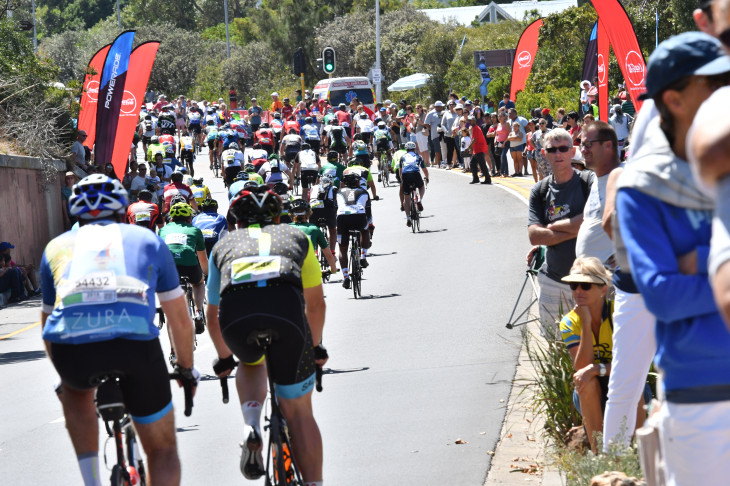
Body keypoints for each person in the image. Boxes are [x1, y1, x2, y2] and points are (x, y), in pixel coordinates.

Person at [616, 32, 730, 485]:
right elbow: (661, 296)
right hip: (700, 393)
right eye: (715, 83)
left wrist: (697, 260)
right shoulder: (641, 188)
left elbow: (677, 285)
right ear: (674, 99)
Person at [40, 174, 196, 486]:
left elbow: (47, 324)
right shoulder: (149, 240)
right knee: (163, 450)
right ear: (123, 208)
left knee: (76, 393)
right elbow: (179, 320)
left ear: (74, 211)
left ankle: (92, 479)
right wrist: (186, 369)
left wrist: (65, 378)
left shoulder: (55, 248)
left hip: (74, 352)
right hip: (135, 347)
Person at [205, 185, 327, 484]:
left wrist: (223, 358)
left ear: (236, 221)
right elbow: (316, 304)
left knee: (251, 362)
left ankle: (251, 424)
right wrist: (314, 347)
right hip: (285, 315)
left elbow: (211, 313)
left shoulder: (224, 245)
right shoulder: (297, 236)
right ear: (277, 217)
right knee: (299, 414)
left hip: (237, 318)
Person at [559, 257, 651, 453]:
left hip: (627, 384)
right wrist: (585, 324)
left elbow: (632, 366)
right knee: (586, 381)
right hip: (591, 391)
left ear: (603, 289)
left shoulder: (620, 314)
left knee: (629, 379)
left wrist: (596, 369)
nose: (577, 292)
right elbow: (581, 366)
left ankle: (639, 453)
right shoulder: (570, 322)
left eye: (585, 286)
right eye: (574, 285)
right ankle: (601, 456)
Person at [528, 128, 594, 330]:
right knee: (555, 351)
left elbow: (594, 221)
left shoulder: (588, 181)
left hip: (590, 282)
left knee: (593, 349)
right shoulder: (539, 190)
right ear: (544, 153)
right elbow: (534, 235)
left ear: (572, 151)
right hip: (553, 281)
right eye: (552, 149)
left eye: (563, 148)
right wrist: (576, 226)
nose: (558, 154)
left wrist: (553, 227)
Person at [159, 202, 208, 334]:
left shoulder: (163, 229)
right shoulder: (195, 230)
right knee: (198, 284)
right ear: (189, 218)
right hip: (189, 265)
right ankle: (198, 311)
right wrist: (206, 275)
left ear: (172, 218)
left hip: (169, 266)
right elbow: (202, 259)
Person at [336, 173, 372, 289]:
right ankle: (363, 256)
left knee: (342, 249)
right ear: (357, 182)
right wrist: (369, 225)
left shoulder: (338, 192)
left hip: (342, 218)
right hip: (359, 216)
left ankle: (346, 277)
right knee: (365, 230)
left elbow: (334, 210)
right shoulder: (364, 192)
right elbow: (369, 214)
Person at [290, 198, 337, 274]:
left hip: (291, 271)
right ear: (308, 214)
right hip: (310, 271)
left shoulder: (285, 228)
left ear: (291, 214)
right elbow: (329, 255)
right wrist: (333, 269)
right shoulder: (314, 229)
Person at [399, 142, 430, 227]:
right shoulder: (418, 156)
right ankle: (419, 200)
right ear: (414, 149)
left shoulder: (402, 157)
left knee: (407, 198)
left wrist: (402, 180)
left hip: (405, 175)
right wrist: (427, 178)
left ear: (406, 149)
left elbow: (400, 171)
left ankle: (408, 218)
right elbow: (424, 169)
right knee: (421, 187)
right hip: (416, 173)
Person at [467, 115, 491, 185]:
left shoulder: (476, 128)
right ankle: (476, 178)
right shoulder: (474, 128)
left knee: (481, 164)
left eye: (470, 120)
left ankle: (487, 179)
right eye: (469, 121)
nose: (469, 122)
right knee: (473, 163)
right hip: (477, 149)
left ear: (474, 121)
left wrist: (468, 147)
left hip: (479, 149)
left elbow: (475, 139)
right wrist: (471, 148)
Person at [424, 101, 444, 167]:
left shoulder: (444, 112)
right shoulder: (431, 114)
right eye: (441, 106)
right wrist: (431, 129)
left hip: (444, 133)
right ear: (436, 107)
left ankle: (445, 162)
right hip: (435, 134)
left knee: (444, 148)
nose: (442, 107)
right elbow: (426, 123)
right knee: (437, 149)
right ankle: (438, 163)